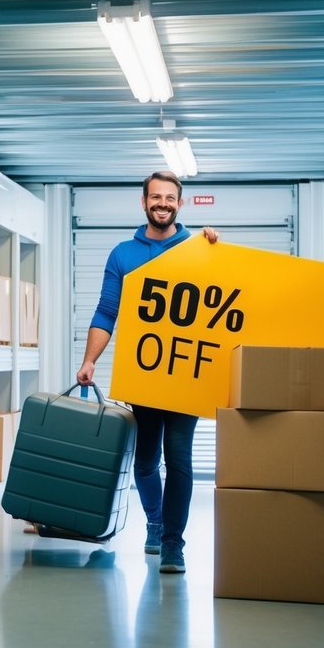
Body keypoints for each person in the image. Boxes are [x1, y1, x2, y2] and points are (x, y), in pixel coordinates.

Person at [76, 170, 218, 574]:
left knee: (180, 460)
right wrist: (90, 360)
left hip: (187, 376)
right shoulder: (123, 254)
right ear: (144, 202)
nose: (162, 204)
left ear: (180, 203)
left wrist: (217, 250)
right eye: (155, 197)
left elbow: (226, 295)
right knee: (144, 460)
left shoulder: (199, 247)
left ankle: (173, 542)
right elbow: (107, 312)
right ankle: (155, 522)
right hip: (144, 374)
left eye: (170, 198)